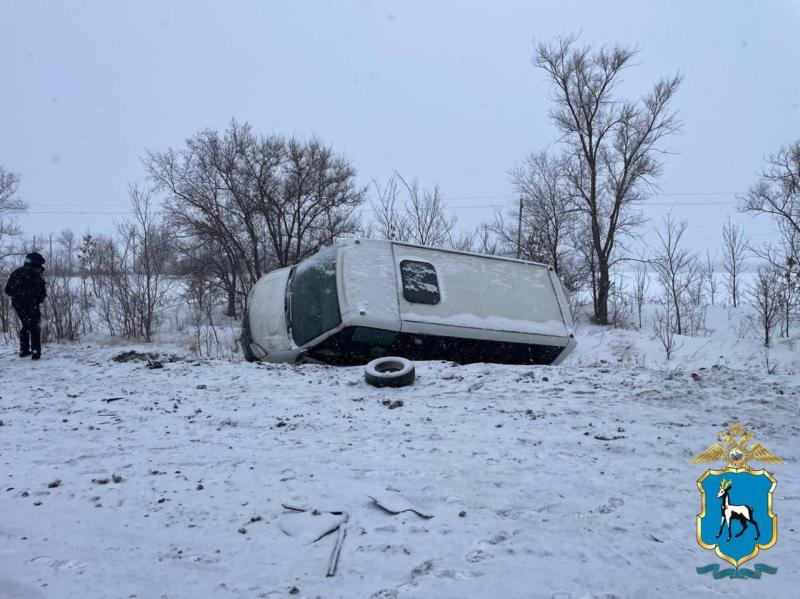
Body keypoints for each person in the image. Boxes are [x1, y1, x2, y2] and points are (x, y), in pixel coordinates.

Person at [4, 252, 47, 360]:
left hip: (18, 304)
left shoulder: (16, 272)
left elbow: (7, 290)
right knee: (35, 326)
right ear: (36, 262)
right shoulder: (36, 274)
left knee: (26, 324)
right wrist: (35, 298)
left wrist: (18, 295)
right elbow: (41, 292)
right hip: (32, 303)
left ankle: (24, 350)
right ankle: (35, 353)